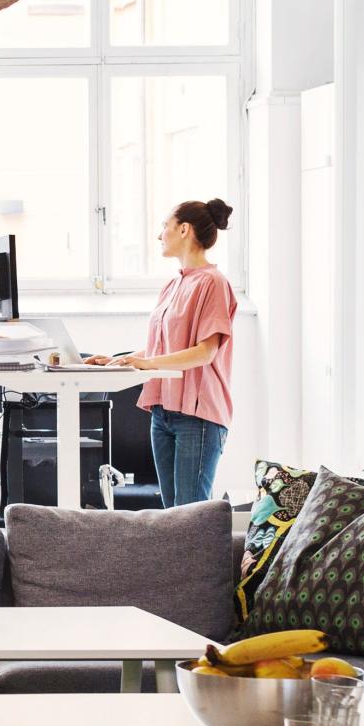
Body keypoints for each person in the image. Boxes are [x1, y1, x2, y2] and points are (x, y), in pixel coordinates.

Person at [87, 199, 239, 508]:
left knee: (189, 517)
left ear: (184, 230)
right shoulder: (173, 284)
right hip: (163, 413)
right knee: (171, 519)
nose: (160, 235)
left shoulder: (213, 283)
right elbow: (164, 345)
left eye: (164, 227)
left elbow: (205, 352)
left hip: (197, 417)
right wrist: (120, 360)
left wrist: (146, 363)